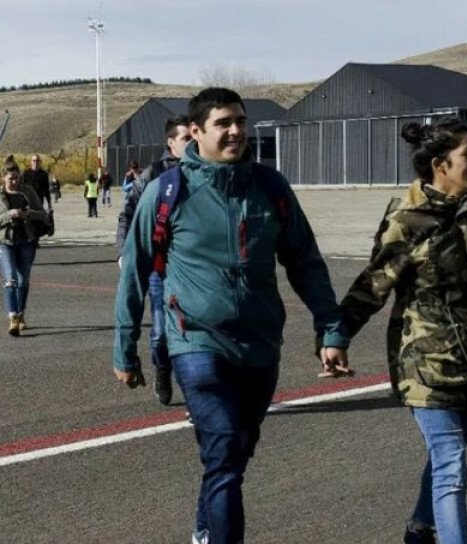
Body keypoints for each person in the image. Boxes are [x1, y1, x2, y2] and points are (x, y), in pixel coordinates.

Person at [113, 88, 350, 544]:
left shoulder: (270, 188)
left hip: (260, 343)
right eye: (223, 123)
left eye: (240, 121)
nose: (236, 131)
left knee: (236, 452)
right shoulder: (167, 191)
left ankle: (205, 530)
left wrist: (332, 330)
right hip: (196, 341)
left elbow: (305, 262)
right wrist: (125, 350)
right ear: (196, 132)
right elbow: (135, 273)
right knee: (222, 450)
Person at [337, 118, 467, 544]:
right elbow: (372, 285)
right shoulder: (407, 220)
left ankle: (420, 529)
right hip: (427, 363)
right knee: (452, 465)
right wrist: (335, 336)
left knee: (447, 460)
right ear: (441, 165)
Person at [115, 114, 191, 406]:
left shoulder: (204, 172)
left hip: (192, 269)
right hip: (160, 268)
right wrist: (124, 252)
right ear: (171, 142)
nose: (193, 143)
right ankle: (162, 368)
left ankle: (199, 388)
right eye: (186, 138)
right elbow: (128, 215)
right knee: (160, 334)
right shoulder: (153, 175)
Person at [0, 162, 48, 336]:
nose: (14, 182)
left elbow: (42, 214)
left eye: (17, 178)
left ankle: (21, 313)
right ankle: (13, 317)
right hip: (5, 242)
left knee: (23, 281)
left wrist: (27, 214)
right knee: (10, 280)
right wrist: (9, 215)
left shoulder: (28, 191)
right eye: (10, 178)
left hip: (27, 241)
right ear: (3, 178)